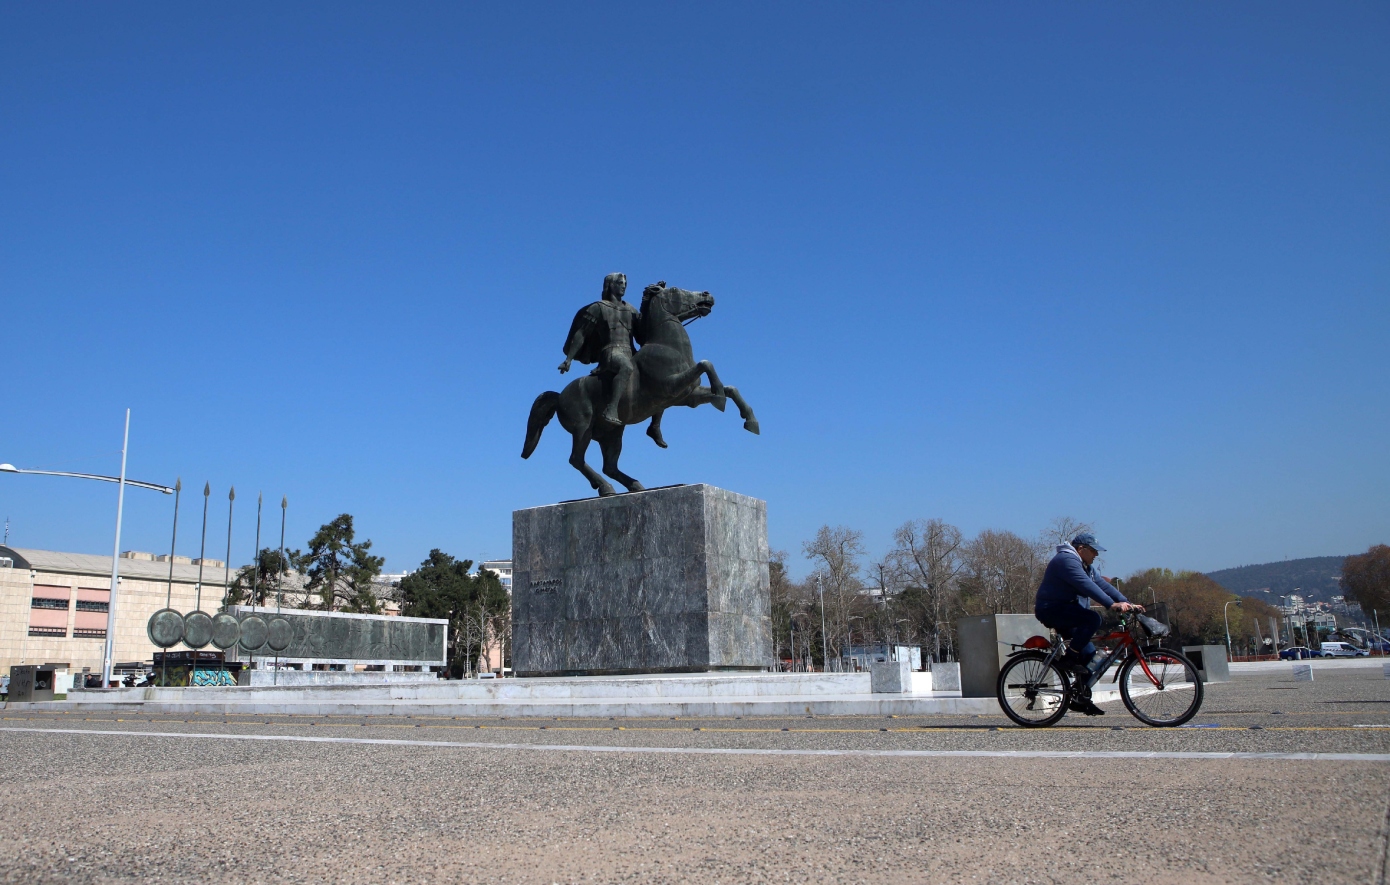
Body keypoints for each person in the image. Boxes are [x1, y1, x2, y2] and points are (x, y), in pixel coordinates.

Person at [1034, 532, 1143, 716]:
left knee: (1091, 659)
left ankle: (1080, 699)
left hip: (1068, 611)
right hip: (1052, 609)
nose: (1096, 555)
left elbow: (1102, 585)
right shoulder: (1066, 561)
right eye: (1093, 551)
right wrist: (1111, 604)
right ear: (1081, 549)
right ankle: (1068, 659)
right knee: (1093, 619)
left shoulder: (1086, 566)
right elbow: (1086, 585)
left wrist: (1127, 602)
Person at [559, 272, 640, 426]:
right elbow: (581, 334)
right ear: (610, 285)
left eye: (625, 284)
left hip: (631, 352)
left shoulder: (631, 310)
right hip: (611, 352)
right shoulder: (598, 307)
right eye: (619, 283)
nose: (623, 286)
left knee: (655, 369)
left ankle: (655, 425)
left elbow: (643, 334)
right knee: (626, 367)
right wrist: (568, 359)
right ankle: (611, 408)